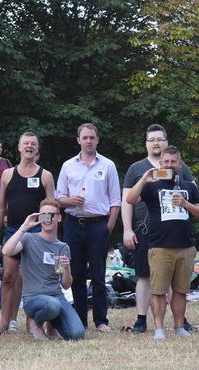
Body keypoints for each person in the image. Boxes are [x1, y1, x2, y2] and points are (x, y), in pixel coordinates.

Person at [126, 146, 199, 340]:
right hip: (160, 246)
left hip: (185, 246)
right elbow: (130, 199)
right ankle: (159, 329)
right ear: (160, 164)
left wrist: (186, 204)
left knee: (180, 291)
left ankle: (179, 327)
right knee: (159, 290)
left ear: (179, 164)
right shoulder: (152, 185)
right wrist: (144, 179)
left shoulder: (189, 186)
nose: (169, 165)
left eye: (173, 162)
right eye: (166, 162)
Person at [56, 123, 121, 332]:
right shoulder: (68, 166)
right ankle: (80, 320)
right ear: (78, 140)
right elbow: (58, 198)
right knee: (76, 275)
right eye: (85, 137)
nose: (89, 141)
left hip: (98, 225)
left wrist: (108, 227)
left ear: (97, 140)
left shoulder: (107, 165)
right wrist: (70, 201)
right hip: (74, 225)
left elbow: (115, 200)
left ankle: (101, 321)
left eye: (92, 137)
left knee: (99, 275)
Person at [0, 132, 55, 334]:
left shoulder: (45, 176)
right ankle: (4, 322)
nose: (29, 146)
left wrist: (47, 234)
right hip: (13, 231)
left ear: (37, 149)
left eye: (33, 144)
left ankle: (31, 322)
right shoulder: (8, 175)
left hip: (37, 233)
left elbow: (51, 209)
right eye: (25, 143)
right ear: (18, 148)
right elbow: (1, 207)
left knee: (30, 278)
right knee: (8, 276)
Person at [2, 199, 85, 341]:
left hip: (56, 297)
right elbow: (6, 251)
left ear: (59, 218)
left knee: (77, 335)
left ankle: (52, 324)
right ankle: (36, 323)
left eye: (51, 215)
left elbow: (66, 284)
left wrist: (66, 268)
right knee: (52, 305)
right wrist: (24, 227)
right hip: (33, 298)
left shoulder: (63, 247)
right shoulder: (28, 238)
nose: (47, 219)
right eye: (43, 215)